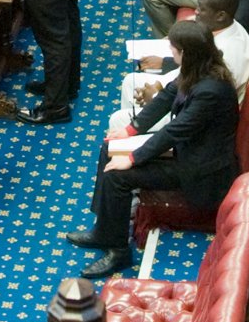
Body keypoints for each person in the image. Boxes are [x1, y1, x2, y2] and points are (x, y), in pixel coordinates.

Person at [64, 21, 239, 278]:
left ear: (186, 52)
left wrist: (133, 158)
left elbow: (175, 131)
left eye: (173, 49)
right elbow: (166, 97)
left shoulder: (211, 90)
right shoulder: (199, 69)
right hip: (187, 151)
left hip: (201, 169)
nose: (171, 54)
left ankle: (119, 252)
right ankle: (104, 230)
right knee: (110, 148)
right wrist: (130, 130)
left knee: (118, 176)